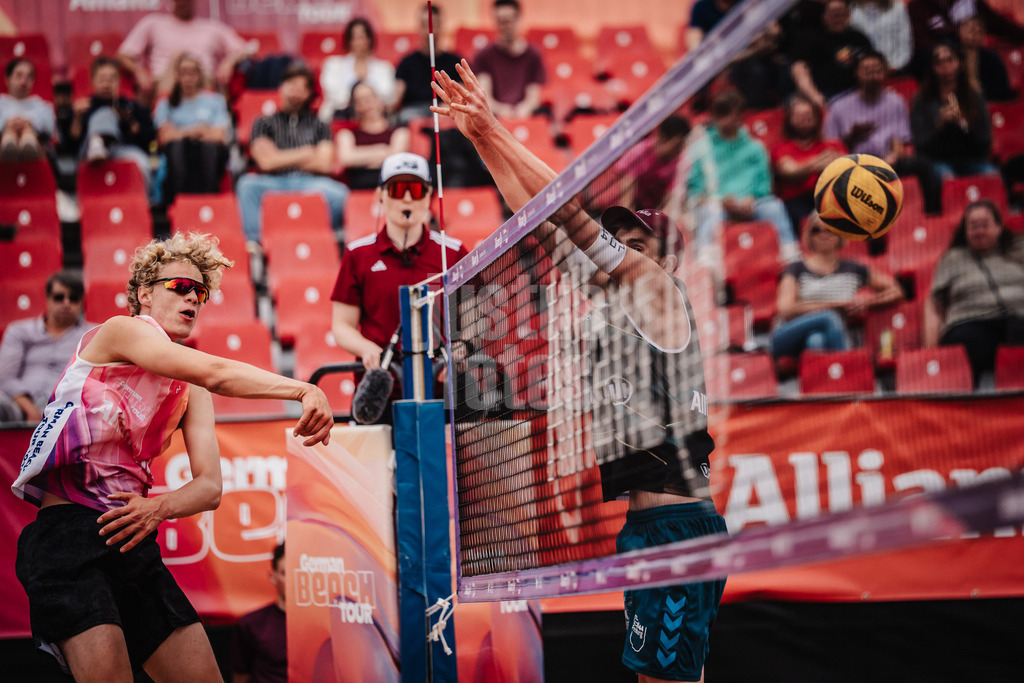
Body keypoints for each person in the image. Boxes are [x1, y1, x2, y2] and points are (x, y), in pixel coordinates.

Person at [432, 58, 727, 683]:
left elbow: (567, 213)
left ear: (664, 258)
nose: (618, 248)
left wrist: (494, 126)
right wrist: (481, 139)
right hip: (650, 526)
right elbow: (541, 221)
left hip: (676, 526)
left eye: (634, 241)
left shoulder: (657, 291)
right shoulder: (616, 302)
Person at [12, 232, 332, 682]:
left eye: (200, 291)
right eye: (179, 286)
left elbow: (210, 487)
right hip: (69, 537)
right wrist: (303, 388)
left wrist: (158, 506)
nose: (193, 298)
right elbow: (217, 372)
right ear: (144, 294)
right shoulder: (121, 332)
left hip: (132, 536)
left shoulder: (189, 388)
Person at [331, 152, 468, 421]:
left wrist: (461, 347)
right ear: (380, 195)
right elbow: (342, 326)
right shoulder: (358, 255)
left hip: (441, 395)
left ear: (428, 196)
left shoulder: (453, 253)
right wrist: (366, 348)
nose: (407, 198)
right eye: (397, 189)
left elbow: (475, 320)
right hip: (380, 395)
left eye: (415, 189)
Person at [236, 63, 349, 245]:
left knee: (339, 194)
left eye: (302, 88)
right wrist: (307, 152)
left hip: (309, 182)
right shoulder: (262, 123)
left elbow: (324, 164)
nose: (296, 92)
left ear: (308, 94)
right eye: (291, 85)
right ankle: (256, 244)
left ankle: (325, 242)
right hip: (272, 181)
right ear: (281, 87)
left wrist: (278, 156)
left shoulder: (319, 125)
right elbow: (266, 163)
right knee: (247, 185)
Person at [770, 211, 903, 360]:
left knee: (816, 340)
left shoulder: (853, 269)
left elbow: (896, 290)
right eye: (816, 230)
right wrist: (834, 306)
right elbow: (785, 309)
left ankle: (829, 378)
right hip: (787, 334)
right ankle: (848, 369)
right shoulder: (795, 268)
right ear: (809, 235)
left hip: (824, 336)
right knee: (830, 317)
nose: (823, 234)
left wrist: (868, 302)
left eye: (830, 229)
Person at [824, 48, 942, 212]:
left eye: (877, 71)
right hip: (853, 164)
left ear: (885, 72)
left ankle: (932, 216)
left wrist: (891, 158)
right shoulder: (838, 107)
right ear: (857, 73)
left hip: (887, 160)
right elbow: (831, 148)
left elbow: (899, 139)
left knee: (926, 167)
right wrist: (852, 137)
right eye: (867, 71)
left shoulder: (896, 102)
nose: (872, 75)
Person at [686, 89, 798, 260]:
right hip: (716, 203)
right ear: (714, 116)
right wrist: (720, 201)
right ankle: (706, 265)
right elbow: (695, 187)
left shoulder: (755, 148)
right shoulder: (701, 148)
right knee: (709, 213)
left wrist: (750, 199)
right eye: (722, 114)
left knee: (774, 207)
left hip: (751, 202)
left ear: (740, 115)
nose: (727, 119)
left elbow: (764, 184)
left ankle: (791, 257)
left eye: (732, 114)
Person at [924, 199, 1024, 384]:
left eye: (984, 225)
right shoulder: (952, 258)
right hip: (970, 324)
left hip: (1017, 319)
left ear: (999, 227)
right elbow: (934, 305)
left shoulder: (1019, 250)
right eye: (973, 226)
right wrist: (931, 352)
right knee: (966, 342)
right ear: (965, 231)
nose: (979, 231)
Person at [0, 272, 93, 423]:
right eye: (59, 297)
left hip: (67, 408)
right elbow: (5, 377)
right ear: (48, 299)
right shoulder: (20, 331)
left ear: (81, 303)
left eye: (73, 298)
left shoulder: (92, 335)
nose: (66, 303)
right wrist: (29, 408)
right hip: (18, 404)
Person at [117, 0, 249, 103]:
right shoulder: (153, 23)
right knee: (179, 58)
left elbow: (247, 49)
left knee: (191, 65)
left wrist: (229, 61)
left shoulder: (212, 27)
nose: (182, 2)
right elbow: (122, 56)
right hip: (165, 80)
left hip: (202, 80)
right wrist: (139, 71)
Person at [910, 42, 997, 188]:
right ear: (932, 67)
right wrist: (939, 124)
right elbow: (920, 145)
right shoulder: (922, 100)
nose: (944, 65)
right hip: (938, 160)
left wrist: (964, 125)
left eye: (949, 59)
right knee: (946, 178)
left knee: (992, 175)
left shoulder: (974, 96)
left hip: (972, 159)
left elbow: (986, 141)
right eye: (938, 61)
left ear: (960, 63)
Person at [66, 56, 155, 189]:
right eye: (102, 79)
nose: (107, 84)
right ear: (92, 81)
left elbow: (148, 140)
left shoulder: (131, 107)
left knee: (141, 163)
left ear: (118, 81)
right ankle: (96, 143)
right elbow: (71, 145)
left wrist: (130, 122)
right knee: (104, 114)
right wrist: (77, 119)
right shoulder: (82, 107)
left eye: (111, 79)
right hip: (88, 154)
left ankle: (145, 202)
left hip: (122, 149)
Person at [154, 54, 232, 205]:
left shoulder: (215, 101)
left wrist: (180, 132)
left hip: (210, 154)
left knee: (209, 148)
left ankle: (210, 201)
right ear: (177, 75)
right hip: (177, 156)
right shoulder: (165, 103)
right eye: (183, 73)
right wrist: (197, 131)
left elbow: (219, 135)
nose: (188, 77)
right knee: (177, 147)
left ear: (199, 75)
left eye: (192, 73)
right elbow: (165, 137)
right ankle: (180, 202)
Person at [771, 93, 847, 231]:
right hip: (797, 201)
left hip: (831, 197)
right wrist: (817, 163)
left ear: (817, 117)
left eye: (808, 115)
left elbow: (849, 167)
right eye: (799, 115)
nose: (804, 119)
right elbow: (789, 171)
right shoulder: (781, 148)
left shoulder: (833, 145)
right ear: (790, 119)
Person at [789, 0, 874, 109]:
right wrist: (816, 98)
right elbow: (799, 69)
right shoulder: (810, 39)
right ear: (825, 16)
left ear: (849, 15)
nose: (839, 19)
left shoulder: (860, 38)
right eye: (834, 15)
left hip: (858, 91)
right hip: (825, 94)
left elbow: (873, 64)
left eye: (842, 15)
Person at [472, 0, 546, 119]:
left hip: (526, 116)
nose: (505, 26)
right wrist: (501, 110)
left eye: (509, 21)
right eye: (501, 21)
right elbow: (484, 97)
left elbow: (533, 97)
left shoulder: (533, 55)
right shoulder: (484, 56)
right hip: (494, 118)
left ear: (518, 19)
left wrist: (523, 110)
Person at [394, 4, 464, 126]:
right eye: (425, 24)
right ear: (419, 27)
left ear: (441, 26)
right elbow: (396, 98)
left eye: (434, 24)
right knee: (404, 116)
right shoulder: (406, 62)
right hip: (415, 110)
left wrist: (449, 105)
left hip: (446, 110)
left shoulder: (455, 61)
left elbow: (463, 94)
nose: (430, 30)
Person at [319, 18, 397, 123]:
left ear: (369, 39)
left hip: (376, 120)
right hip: (341, 117)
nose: (357, 42)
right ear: (348, 41)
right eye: (353, 38)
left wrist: (367, 105)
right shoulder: (333, 65)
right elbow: (333, 95)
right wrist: (362, 102)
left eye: (361, 37)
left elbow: (388, 96)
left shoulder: (384, 68)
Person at [336, 81, 411, 190]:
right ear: (355, 106)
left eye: (370, 98)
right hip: (359, 188)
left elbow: (396, 158)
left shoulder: (400, 132)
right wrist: (382, 150)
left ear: (379, 100)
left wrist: (360, 156)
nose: (367, 104)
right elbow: (347, 159)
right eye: (361, 100)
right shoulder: (346, 134)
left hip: (391, 188)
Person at [231, 542, 287, 683]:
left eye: (297, 572)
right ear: (273, 577)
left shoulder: (322, 625)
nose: (292, 579)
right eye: (285, 573)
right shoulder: (252, 624)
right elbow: (240, 676)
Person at [614, 114, 691, 212]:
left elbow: (670, 202)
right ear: (663, 137)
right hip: (618, 210)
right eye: (677, 146)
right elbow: (625, 199)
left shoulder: (678, 163)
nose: (680, 151)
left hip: (648, 215)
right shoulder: (639, 152)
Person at [0, 58, 56, 162]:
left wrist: (30, 124)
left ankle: (28, 144)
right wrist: (7, 123)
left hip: (38, 152)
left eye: (29, 76)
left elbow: (50, 128)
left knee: (29, 135)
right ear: (7, 79)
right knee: (8, 135)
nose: (24, 81)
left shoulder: (41, 105)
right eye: (19, 75)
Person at [956, 14, 1016, 102]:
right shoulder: (951, 56)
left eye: (977, 31)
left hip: (985, 101)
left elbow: (1001, 89)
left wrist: (980, 91)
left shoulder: (992, 58)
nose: (972, 34)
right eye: (968, 29)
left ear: (983, 34)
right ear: (959, 32)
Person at [849, 0, 914, 73]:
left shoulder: (898, 7)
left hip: (895, 70)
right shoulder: (851, 11)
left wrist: (896, 66)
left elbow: (905, 41)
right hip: (863, 74)